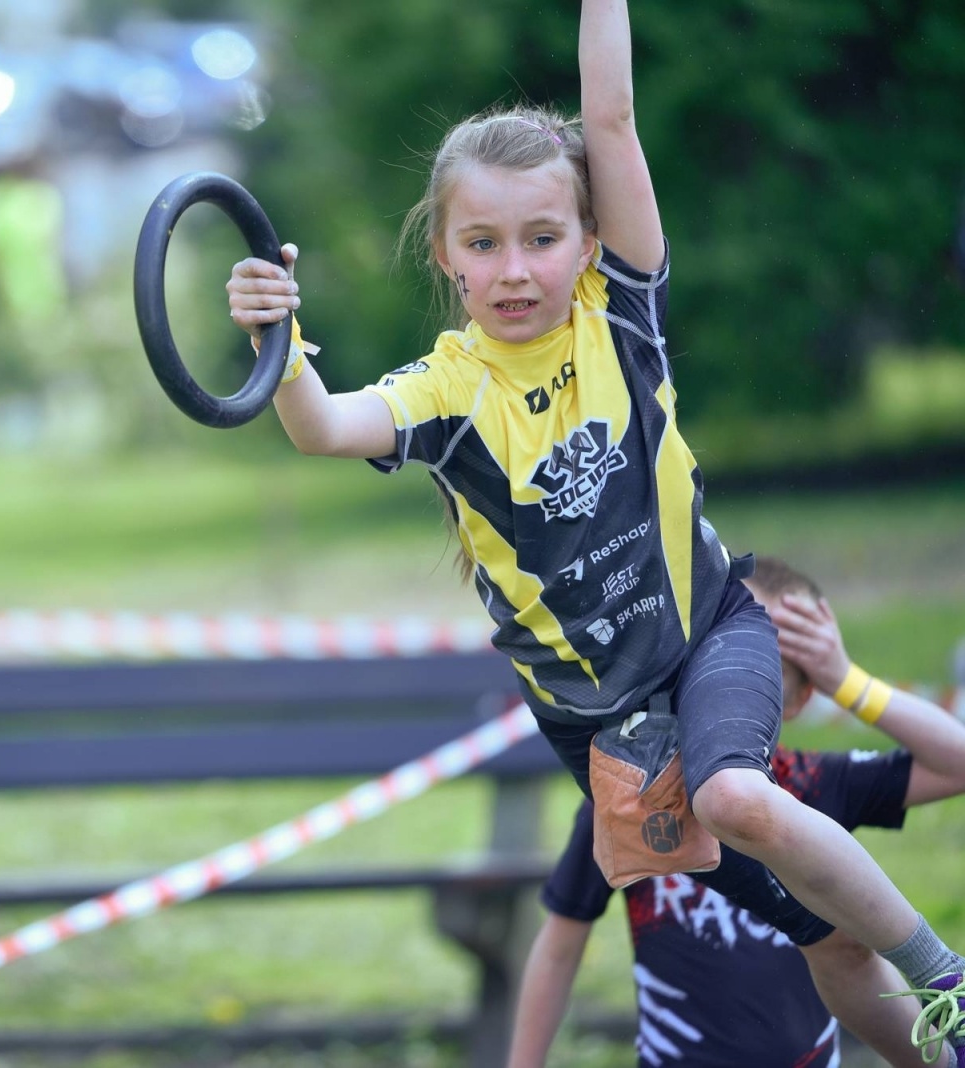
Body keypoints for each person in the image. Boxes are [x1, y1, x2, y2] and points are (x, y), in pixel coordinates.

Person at [225, 0, 965, 1059]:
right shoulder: (447, 387)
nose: (516, 270)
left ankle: (945, 977)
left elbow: (608, 119)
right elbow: (323, 428)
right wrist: (276, 340)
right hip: (600, 723)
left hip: (712, 632)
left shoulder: (614, 316)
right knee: (828, 945)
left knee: (732, 795)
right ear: (447, 255)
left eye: (541, 238)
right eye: (483, 244)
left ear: (585, 241)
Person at [508, 556, 965, 1067]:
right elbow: (558, 948)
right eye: (701, 657)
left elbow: (957, 763)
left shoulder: (817, 783)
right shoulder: (629, 802)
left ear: (794, 695)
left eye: (756, 660)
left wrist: (849, 684)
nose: (717, 683)